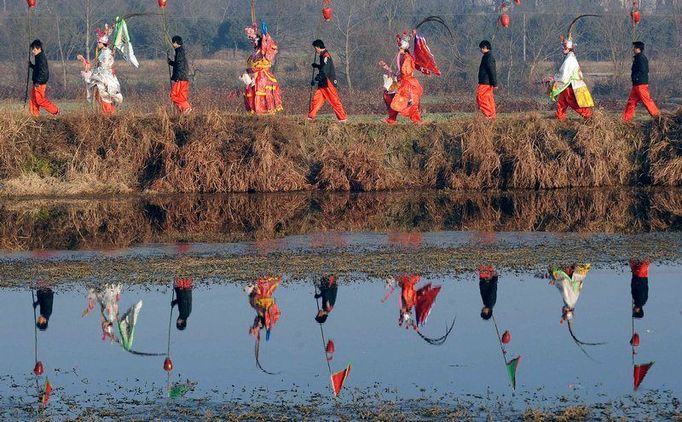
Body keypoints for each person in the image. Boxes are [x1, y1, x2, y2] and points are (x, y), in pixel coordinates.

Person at [77, 26, 123, 115]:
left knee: (102, 96)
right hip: (102, 77)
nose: (97, 43)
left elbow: (103, 67)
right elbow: (92, 64)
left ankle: (109, 113)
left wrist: (93, 71)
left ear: (103, 43)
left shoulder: (106, 53)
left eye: (99, 42)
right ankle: (109, 112)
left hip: (105, 78)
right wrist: (83, 60)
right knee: (98, 96)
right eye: (98, 42)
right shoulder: (102, 52)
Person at [382, 32, 424, 125]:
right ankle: (391, 119)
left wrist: (398, 77)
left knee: (410, 102)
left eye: (400, 47)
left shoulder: (407, 58)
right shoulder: (401, 57)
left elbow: (405, 72)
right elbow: (398, 72)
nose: (399, 49)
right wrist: (387, 68)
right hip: (401, 81)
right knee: (388, 95)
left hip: (407, 83)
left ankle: (417, 120)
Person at [241, 23, 283, 115]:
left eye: (255, 40)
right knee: (252, 93)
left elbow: (270, 45)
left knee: (261, 92)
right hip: (253, 76)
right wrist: (253, 31)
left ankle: (263, 111)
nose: (253, 42)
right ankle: (254, 111)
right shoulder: (254, 52)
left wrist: (265, 34)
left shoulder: (264, 50)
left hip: (263, 76)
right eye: (252, 40)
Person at [550, 36, 593, 121]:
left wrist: (555, 79)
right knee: (561, 103)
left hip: (570, 85)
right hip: (567, 85)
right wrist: (554, 78)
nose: (563, 49)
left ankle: (589, 116)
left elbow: (564, 75)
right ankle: (560, 119)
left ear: (569, 48)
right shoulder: (569, 58)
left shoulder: (570, 59)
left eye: (564, 47)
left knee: (573, 103)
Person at [308, 40, 347, 122]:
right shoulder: (323, 56)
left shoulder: (326, 56)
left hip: (328, 83)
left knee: (334, 101)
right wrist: (317, 66)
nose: (315, 51)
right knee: (316, 100)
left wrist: (316, 79)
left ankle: (343, 118)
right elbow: (323, 68)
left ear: (318, 47)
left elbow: (325, 71)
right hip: (323, 83)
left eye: (315, 48)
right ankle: (310, 117)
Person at [623, 42, 659, 121]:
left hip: (640, 85)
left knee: (647, 101)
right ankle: (626, 120)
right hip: (636, 85)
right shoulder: (638, 57)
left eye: (634, 47)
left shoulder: (641, 58)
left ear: (638, 49)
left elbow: (644, 70)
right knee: (631, 102)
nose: (633, 49)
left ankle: (657, 117)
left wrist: (637, 78)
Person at [28, 40, 59, 117]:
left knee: (39, 100)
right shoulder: (38, 57)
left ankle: (55, 111)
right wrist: (31, 65)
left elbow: (44, 72)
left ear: (39, 48)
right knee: (33, 100)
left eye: (34, 49)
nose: (32, 51)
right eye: (32, 49)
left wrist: (38, 82)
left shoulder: (41, 58)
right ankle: (35, 116)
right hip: (36, 82)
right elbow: (38, 69)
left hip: (39, 83)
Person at [167, 35, 192, 114]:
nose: (172, 44)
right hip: (184, 78)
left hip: (181, 78)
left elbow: (179, 65)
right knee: (181, 96)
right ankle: (184, 111)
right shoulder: (181, 52)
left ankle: (186, 108)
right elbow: (178, 64)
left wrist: (177, 77)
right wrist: (170, 62)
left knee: (173, 95)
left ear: (176, 43)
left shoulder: (179, 52)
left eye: (173, 42)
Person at [477, 40, 497, 119]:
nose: (480, 50)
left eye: (481, 48)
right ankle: (492, 116)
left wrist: (495, 83)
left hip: (485, 82)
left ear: (485, 47)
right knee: (489, 98)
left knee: (480, 97)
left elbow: (492, 70)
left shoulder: (488, 57)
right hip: (488, 82)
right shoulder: (487, 56)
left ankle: (488, 114)